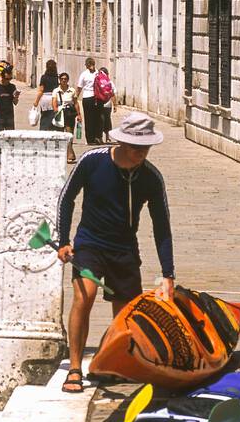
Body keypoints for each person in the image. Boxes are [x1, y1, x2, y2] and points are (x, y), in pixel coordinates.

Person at [55, 113, 175, 393]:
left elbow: (162, 227)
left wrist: (168, 274)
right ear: (121, 142)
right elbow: (66, 198)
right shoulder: (92, 161)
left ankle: (110, 363)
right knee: (85, 295)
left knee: (125, 315)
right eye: (136, 148)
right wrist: (63, 240)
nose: (141, 154)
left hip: (124, 249)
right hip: (89, 243)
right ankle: (74, 368)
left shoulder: (151, 178)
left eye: (145, 149)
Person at [52, 71, 81, 163]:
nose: (64, 80)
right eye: (62, 79)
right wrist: (55, 110)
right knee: (60, 134)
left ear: (68, 80)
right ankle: (60, 154)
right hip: (60, 113)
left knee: (69, 134)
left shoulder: (72, 90)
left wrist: (79, 114)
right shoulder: (56, 91)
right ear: (59, 80)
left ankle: (69, 154)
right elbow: (54, 102)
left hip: (70, 113)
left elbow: (76, 103)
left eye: (65, 79)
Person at [77, 57, 99, 143]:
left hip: (87, 98)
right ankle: (96, 137)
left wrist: (75, 98)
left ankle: (90, 139)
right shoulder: (98, 73)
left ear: (86, 65)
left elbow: (79, 88)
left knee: (88, 119)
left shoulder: (84, 74)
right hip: (97, 98)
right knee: (96, 118)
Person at [33, 60, 59, 130]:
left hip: (45, 99)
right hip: (54, 98)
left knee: (44, 117)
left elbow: (41, 90)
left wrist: (36, 101)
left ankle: (43, 132)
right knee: (52, 117)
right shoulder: (57, 78)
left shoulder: (44, 77)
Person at [97, 65, 115, 138]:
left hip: (104, 104)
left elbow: (113, 94)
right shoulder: (109, 82)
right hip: (106, 104)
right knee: (106, 120)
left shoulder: (98, 81)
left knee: (102, 120)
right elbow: (113, 94)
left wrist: (115, 105)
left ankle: (104, 136)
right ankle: (104, 136)